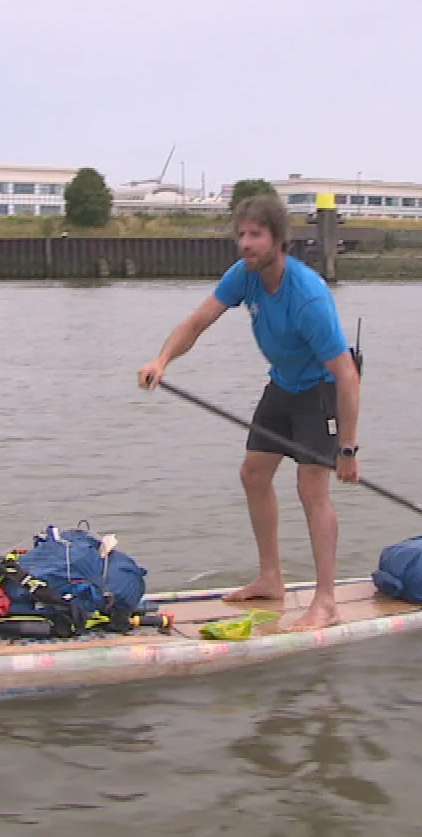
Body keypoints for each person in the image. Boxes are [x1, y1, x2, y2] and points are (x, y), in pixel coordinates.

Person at [137, 193, 361, 632]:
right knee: (253, 474)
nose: (244, 243)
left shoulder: (308, 295)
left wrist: (348, 448)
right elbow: (196, 323)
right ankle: (271, 579)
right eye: (240, 234)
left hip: (322, 391)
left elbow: (348, 375)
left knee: (310, 488)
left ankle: (326, 600)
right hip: (283, 383)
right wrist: (161, 361)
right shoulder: (245, 276)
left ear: (279, 240)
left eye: (255, 235)